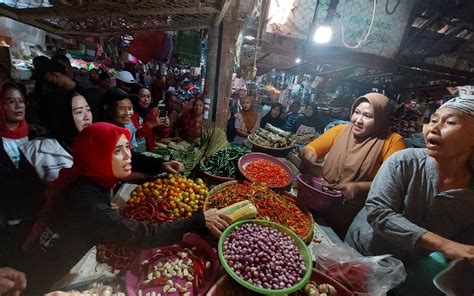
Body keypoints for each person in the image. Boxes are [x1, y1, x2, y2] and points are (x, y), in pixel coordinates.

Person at [21, 122, 231, 294]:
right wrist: (197, 220)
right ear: (99, 156)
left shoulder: (88, 174)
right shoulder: (86, 201)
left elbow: (134, 159)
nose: (127, 156)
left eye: (126, 148)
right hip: (47, 277)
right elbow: (138, 234)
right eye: (118, 151)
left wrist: (158, 166)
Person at [345, 95, 474, 294]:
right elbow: (378, 212)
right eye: (433, 120)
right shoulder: (404, 162)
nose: (433, 128)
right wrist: (444, 244)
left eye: (449, 122)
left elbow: (466, 245)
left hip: (402, 272)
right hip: (360, 251)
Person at [301, 93, 406, 237]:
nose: (358, 120)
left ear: (382, 118)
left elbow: (393, 183)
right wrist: (309, 155)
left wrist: (359, 187)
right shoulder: (341, 130)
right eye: (356, 112)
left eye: (368, 116)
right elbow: (312, 148)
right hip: (319, 199)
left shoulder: (392, 141)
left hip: (350, 213)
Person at [0, 81, 49, 265]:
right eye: (10, 101)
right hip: (11, 216)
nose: (18, 105)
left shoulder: (38, 133)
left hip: (41, 210)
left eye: (21, 100)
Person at [130, 87, 170, 152]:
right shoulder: (131, 115)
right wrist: (151, 124)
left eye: (149, 96)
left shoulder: (152, 112)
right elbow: (134, 135)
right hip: (134, 154)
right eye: (143, 96)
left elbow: (163, 135)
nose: (146, 99)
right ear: (136, 98)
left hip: (148, 151)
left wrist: (165, 126)